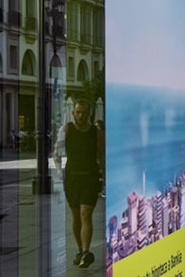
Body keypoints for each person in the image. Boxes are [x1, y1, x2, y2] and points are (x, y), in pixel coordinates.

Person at [61, 96, 104, 268]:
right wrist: (59, 171)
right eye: (78, 112)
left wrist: (104, 175)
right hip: (72, 178)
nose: (80, 115)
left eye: (84, 113)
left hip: (90, 177)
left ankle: (86, 251)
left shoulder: (95, 132)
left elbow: (102, 154)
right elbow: (57, 150)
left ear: (89, 114)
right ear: (73, 113)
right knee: (76, 216)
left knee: (85, 213)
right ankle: (80, 250)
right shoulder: (67, 130)